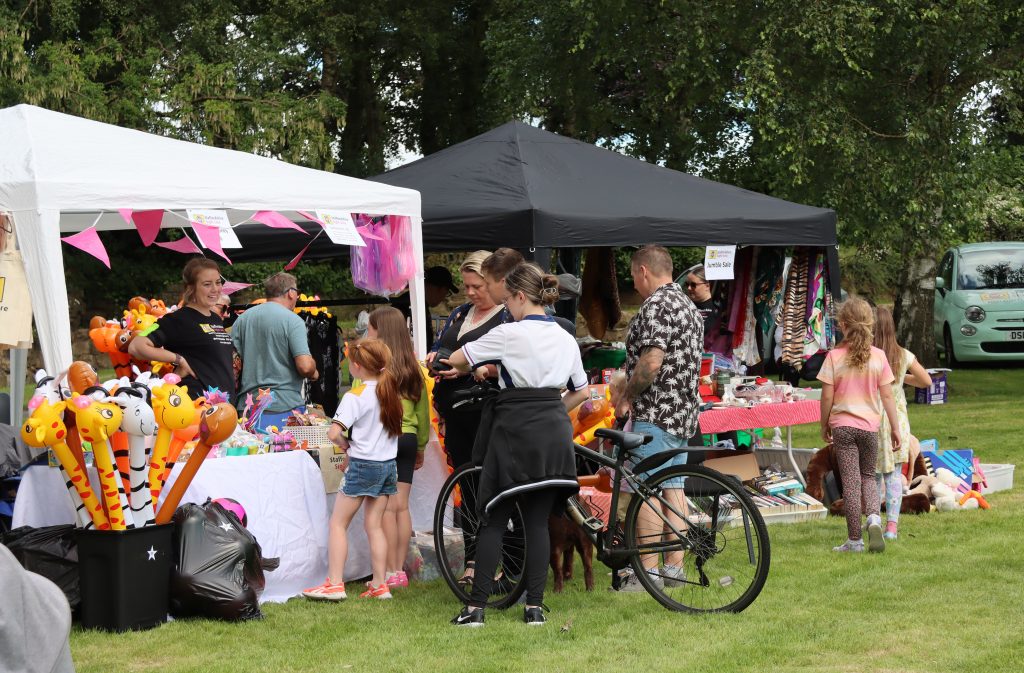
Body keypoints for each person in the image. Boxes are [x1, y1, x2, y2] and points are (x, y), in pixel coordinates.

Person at [441, 262, 589, 627]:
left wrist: (473, 366)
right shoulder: (566, 337)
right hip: (553, 430)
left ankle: (475, 610)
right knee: (538, 522)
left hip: (514, 428)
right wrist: (553, 408)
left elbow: (458, 358)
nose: (506, 307)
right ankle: (534, 609)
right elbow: (582, 390)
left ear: (521, 296)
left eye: (508, 300)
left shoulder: (509, 333)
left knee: (493, 517)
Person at [615, 246, 703, 590]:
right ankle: (674, 571)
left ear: (643, 271)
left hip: (656, 411)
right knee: (673, 487)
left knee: (648, 489)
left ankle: (648, 573)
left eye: (634, 276)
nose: (634, 284)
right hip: (683, 413)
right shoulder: (688, 305)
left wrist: (626, 397)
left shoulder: (656, 306)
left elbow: (651, 362)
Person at [426, 251, 507, 587]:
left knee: (491, 486)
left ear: (493, 282)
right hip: (456, 414)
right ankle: (474, 558)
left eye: (478, 286)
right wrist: (436, 357)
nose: (471, 292)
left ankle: (497, 559)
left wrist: (480, 370)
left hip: (485, 412)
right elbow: (444, 347)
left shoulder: (507, 318)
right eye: (467, 286)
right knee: (467, 488)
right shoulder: (461, 312)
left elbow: (515, 363)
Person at [302, 339, 403, 601]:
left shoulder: (355, 396)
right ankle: (380, 584)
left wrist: (346, 446)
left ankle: (335, 583)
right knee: (375, 525)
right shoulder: (390, 391)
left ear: (357, 366)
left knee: (338, 523)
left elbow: (334, 432)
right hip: (387, 466)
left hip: (362, 465)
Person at [817, 298, 901, 553]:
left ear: (842, 325)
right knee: (868, 477)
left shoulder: (834, 358)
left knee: (851, 483)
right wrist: (896, 428)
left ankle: (854, 540)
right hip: (870, 428)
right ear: (870, 323)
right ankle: (874, 517)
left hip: (843, 427)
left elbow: (827, 396)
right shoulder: (879, 357)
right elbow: (888, 395)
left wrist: (824, 424)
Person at [366, 306, 431, 589]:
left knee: (387, 509)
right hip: (408, 438)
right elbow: (423, 410)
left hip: (386, 438)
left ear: (381, 331)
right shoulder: (413, 367)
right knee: (401, 507)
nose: (367, 334)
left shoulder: (376, 367)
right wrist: (420, 446)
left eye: (370, 328)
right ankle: (400, 571)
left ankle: (390, 570)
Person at [128, 257, 235, 400]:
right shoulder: (178, 319)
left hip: (224, 408)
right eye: (207, 284)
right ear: (191, 288)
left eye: (218, 282)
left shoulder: (215, 318)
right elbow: (136, 345)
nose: (215, 289)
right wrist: (178, 359)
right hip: (197, 406)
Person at [231, 272, 319, 432]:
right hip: (284, 407)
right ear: (291, 293)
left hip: (248, 406)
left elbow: (234, 365)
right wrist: (314, 371)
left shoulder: (242, 320)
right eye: (297, 293)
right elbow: (305, 367)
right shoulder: (293, 320)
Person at [872, 306, 931, 540]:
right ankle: (892, 527)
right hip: (897, 421)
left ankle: (873, 518)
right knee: (894, 474)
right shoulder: (903, 355)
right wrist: (901, 377)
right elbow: (926, 381)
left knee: (873, 474)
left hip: (872, 417)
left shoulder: (867, 355)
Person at [480, 247, 576, 335]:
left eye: (488, 283)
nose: (486, 288)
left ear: (504, 282)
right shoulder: (564, 328)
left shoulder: (507, 329)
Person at [390, 265, 459, 349]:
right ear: (439, 289)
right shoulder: (410, 306)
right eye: (446, 292)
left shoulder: (414, 303)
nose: (443, 298)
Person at [682, 263, 729, 354]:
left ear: (707, 285)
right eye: (687, 284)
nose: (689, 288)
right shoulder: (684, 306)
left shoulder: (718, 309)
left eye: (693, 285)